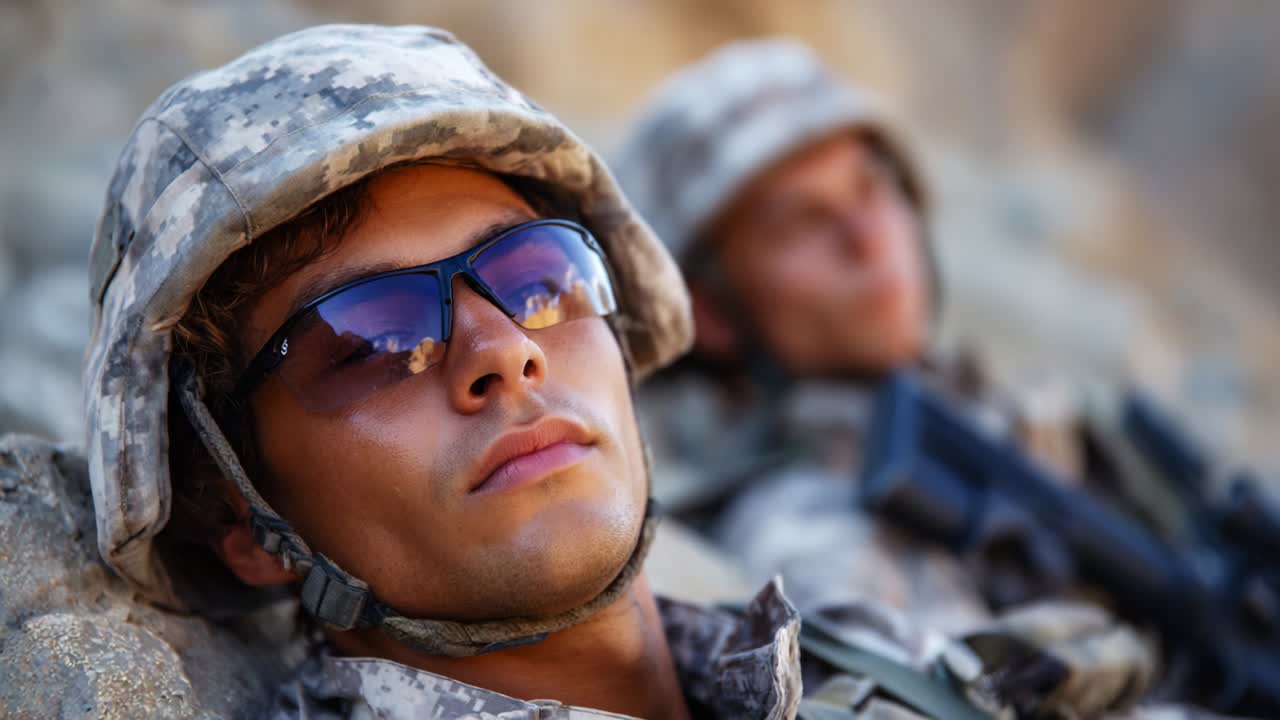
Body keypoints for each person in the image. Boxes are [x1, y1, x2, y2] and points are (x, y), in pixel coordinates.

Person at [0, 24, 1194, 720]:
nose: (502, 349)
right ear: (241, 517)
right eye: (365, 340)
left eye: (536, 278)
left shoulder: (858, 660)